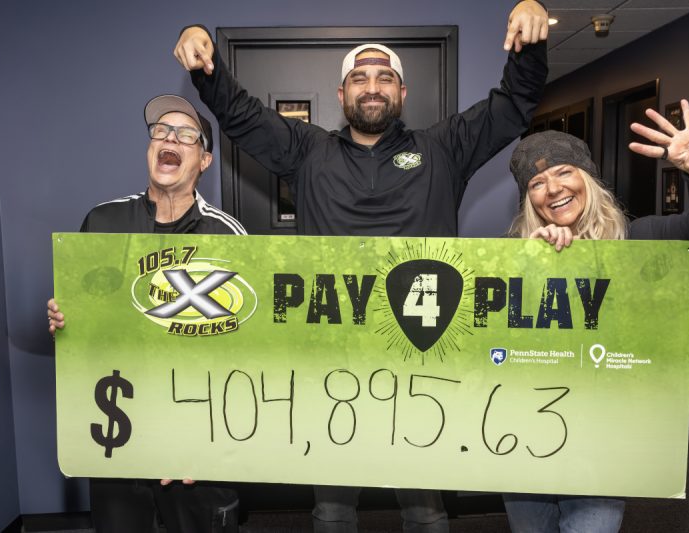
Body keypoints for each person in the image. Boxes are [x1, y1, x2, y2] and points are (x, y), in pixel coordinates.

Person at [173, 2, 549, 531]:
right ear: (342, 93)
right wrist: (200, 52)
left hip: (420, 355)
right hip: (333, 358)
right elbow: (238, 114)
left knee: (424, 508)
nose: (372, 86)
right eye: (360, 78)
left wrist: (530, 36)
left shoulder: (443, 148)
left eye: (385, 77)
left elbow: (514, 104)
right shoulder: (307, 151)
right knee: (331, 507)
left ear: (402, 93)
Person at [502, 99, 689, 533]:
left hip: (601, 449)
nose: (553, 188)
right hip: (525, 444)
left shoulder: (647, 246)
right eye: (537, 183)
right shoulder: (514, 258)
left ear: (589, 180)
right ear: (530, 201)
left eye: (564, 172)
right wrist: (535, 266)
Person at [48, 94, 246, 533]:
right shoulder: (102, 222)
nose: (170, 138)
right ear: (150, 148)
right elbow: (83, 326)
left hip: (196, 442)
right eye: (161, 131)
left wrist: (208, 440)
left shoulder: (227, 235)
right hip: (119, 431)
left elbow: (245, 347)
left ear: (205, 160)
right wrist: (64, 323)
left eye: (186, 135)